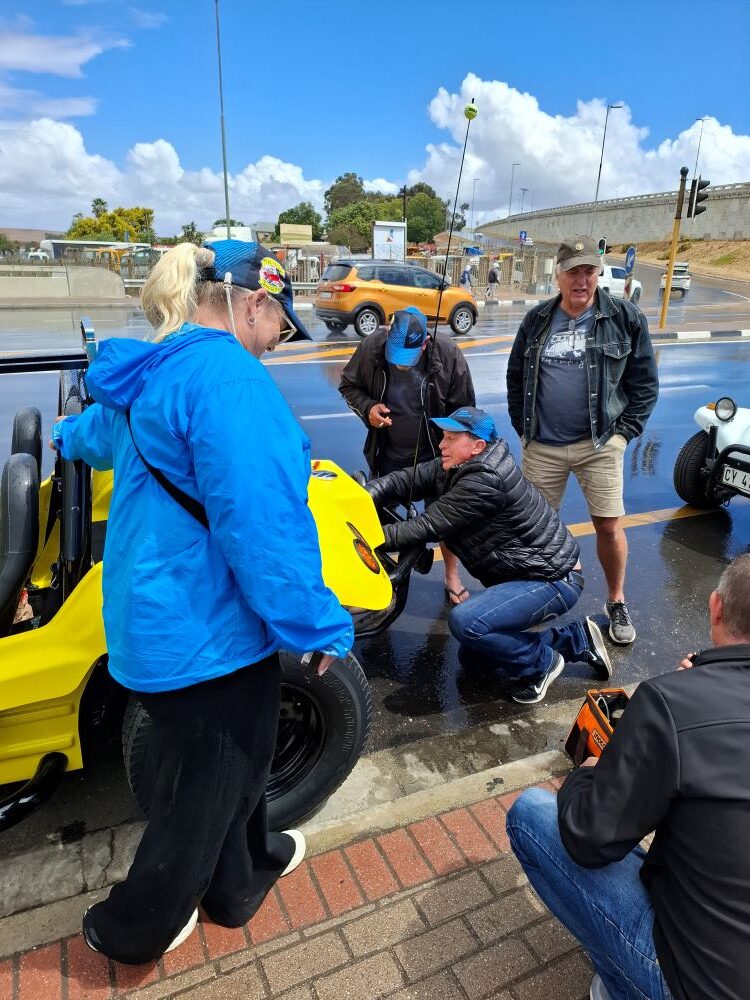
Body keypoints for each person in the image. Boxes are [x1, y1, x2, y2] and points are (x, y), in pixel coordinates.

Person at [51, 240, 353, 965]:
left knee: (237, 764)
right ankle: (136, 928)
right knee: (207, 790)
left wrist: (61, 432)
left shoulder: (157, 366)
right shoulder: (229, 383)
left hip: (148, 615)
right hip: (204, 633)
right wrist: (315, 624)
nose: (279, 341)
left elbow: (95, 436)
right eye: (281, 323)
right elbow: (262, 526)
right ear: (254, 303)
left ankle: (242, 878)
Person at [507, 553, 750, 1000]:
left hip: (697, 985)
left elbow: (592, 838)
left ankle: (622, 983)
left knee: (532, 814)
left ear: (716, 607)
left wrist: (585, 775)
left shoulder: (669, 702)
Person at [365, 406, 612, 703]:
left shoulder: (485, 479)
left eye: (451, 438)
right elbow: (405, 480)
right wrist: (366, 494)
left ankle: (543, 665)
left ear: (477, 445)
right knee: (476, 660)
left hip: (554, 580)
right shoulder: (457, 465)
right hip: (527, 575)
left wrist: (364, 537)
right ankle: (577, 640)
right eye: (443, 436)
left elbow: (428, 525)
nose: (442, 444)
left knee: (467, 623)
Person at [507, 234, 658, 645]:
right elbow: (516, 378)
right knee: (535, 529)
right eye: (573, 271)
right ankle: (531, 599)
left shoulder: (625, 318)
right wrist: (525, 429)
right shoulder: (537, 320)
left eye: (589, 270)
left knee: (609, 526)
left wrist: (624, 435)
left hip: (600, 444)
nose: (582, 279)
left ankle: (616, 599)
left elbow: (644, 385)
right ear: (558, 276)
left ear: (598, 274)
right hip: (543, 445)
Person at [339, 306, 476, 605]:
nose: (401, 366)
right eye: (395, 357)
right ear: (388, 334)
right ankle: (376, 581)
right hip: (389, 454)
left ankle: (452, 575)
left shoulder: (448, 355)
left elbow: (467, 414)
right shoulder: (372, 347)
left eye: (408, 359)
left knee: (446, 519)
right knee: (377, 519)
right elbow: (349, 385)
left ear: (425, 343)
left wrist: (456, 451)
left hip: (436, 456)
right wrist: (368, 409)